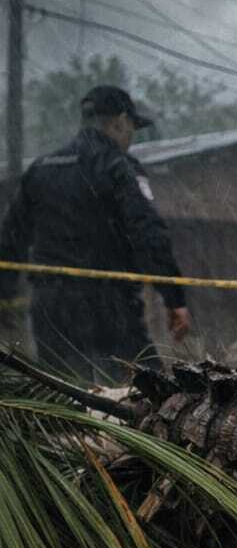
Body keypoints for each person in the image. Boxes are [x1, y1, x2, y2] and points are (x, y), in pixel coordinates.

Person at [0, 85, 190, 380]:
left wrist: (4, 294)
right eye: (132, 129)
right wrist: (174, 298)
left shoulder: (42, 168)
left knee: (62, 393)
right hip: (108, 302)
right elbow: (148, 233)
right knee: (147, 392)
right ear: (121, 122)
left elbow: (10, 238)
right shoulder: (118, 167)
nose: (130, 139)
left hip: (50, 305)